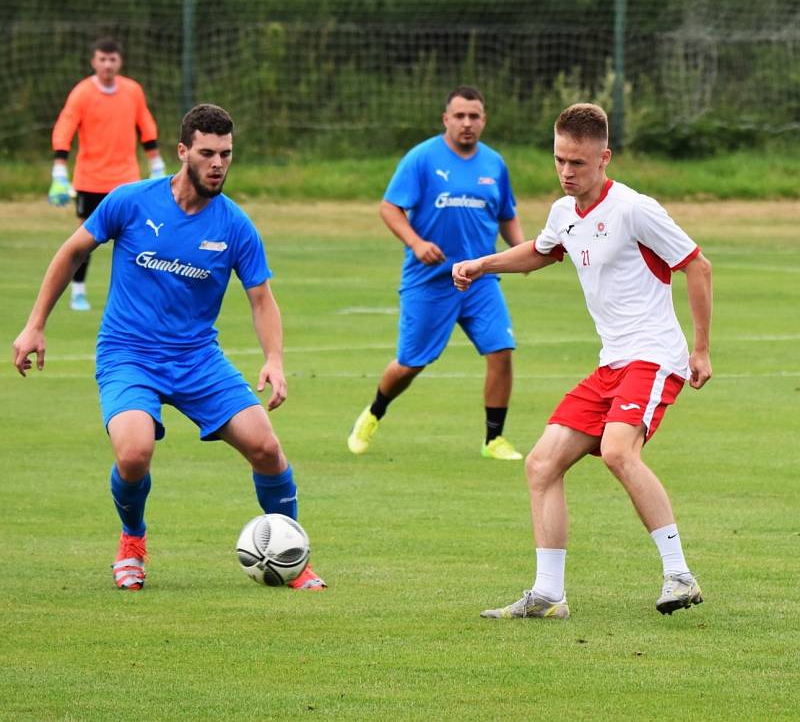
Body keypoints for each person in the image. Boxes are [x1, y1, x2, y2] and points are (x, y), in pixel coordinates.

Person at [13, 103, 326, 592]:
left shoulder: (235, 225)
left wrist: (275, 359)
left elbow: (262, 300)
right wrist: (35, 326)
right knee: (134, 453)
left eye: (226, 153)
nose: (218, 163)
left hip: (198, 359)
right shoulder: (131, 201)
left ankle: (292, 553)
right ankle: (132, 542)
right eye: (207, 153)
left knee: (266, 448)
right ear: (183, 152)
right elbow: (71, 251)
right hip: (128, 354)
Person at [453, 103, 712, 618]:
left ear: (604, 158)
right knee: (542, 463)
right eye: (559, 161)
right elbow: (543, 251)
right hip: (611, 363)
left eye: (578, 163)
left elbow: (697, 266)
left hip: (654, 354)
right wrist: (485, 264)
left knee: (619, 450)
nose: (567, 172)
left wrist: (700, 348)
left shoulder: (636, 208)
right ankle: (549, 595)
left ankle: (679, 575)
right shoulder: (563, 213)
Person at [347, 85, 526, 461]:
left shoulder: (494, 164)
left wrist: (522, 252)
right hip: (430, 281)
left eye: (474, 116)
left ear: (484, 120)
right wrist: (416, 243)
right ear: (446, 119)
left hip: (480, 278)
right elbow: (390, 208)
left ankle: (493, 439)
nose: (467, 123)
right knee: (411, 363)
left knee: (502, 350)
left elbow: (506, 214)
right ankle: (375, 411)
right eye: (459, 116)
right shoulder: (422, 159)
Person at [49, 37, 165, 311]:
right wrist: (59, 172)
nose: (107, 64)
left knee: (138, 238)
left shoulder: (132, 91)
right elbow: (65, 129)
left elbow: (146, 127)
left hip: (127, 181)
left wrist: (156, 164)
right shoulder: (82, 93)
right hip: (90, 179)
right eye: (102, 59)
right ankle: (77, 291)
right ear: (94, 62)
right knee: (84, 239)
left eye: (112, 59)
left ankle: (140, 295)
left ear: (119, 62)